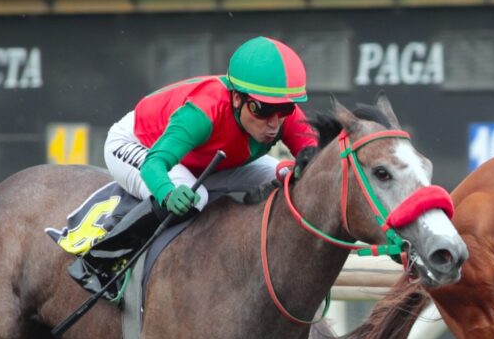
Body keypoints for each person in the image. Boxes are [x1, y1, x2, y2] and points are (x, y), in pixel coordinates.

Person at [68, 35, 319, 293]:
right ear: (237, 99)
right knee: (194, 197)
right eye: (262, 110)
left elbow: (315, 159)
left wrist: (306, 167)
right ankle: (100, 260)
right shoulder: (203, 112)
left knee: (287, 175)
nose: (274, 123)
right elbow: (154, 164)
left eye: (284, 110)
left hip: (203, 158)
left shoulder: (281, 114)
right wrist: (167, 192)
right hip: (140, 144)